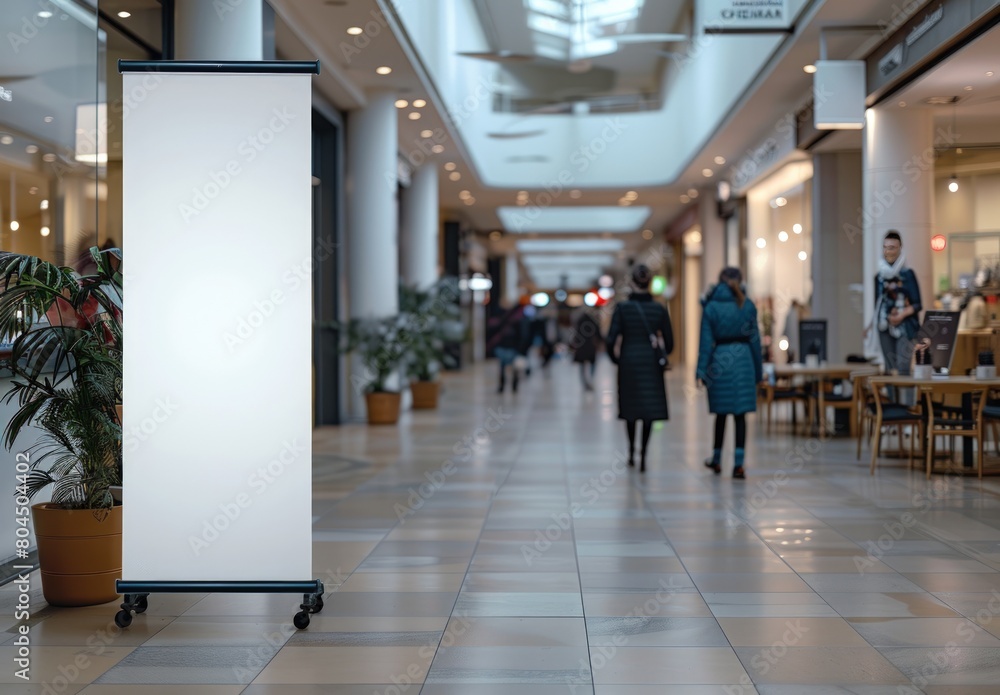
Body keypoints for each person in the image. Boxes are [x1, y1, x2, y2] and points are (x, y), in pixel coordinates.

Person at [605, 264, 674, 473]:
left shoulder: (622, 308)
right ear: (650, 283)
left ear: (632, 283)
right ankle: (644, 453)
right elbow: (670, 344)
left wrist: (616, 359)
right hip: (651, 365)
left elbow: (610, 339)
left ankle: (631, 451)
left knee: (630, 409)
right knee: (648, 410)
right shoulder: (659, 309)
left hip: (628, 363)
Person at [697, 267, 763, 480]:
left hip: (720, 360)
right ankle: (738, 464)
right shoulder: (748, 305)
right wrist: (758, 372)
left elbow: (706, 343)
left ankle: (716, 460)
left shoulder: (711, 307)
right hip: (743, 360)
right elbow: (755, 341)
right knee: (740, 415)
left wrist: (701, 370)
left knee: (721, 413)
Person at [865, 231, 922, 380]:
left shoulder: (908, 274)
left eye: (892, 247)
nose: (888, 251)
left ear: (900, 248)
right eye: (886, 247)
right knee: (890, 370)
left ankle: (907, 403)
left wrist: (901, 315)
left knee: (903, 369)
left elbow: (917, 304)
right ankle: (892, 403)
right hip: (885, 326)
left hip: (905, 327)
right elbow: (877, 304)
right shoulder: (879, 277)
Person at [488, 304, 528, 393]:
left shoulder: (515, 322)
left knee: (509, 368)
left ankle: (509, 385)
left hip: (511, 347)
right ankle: (507, 385)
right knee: (506, 368)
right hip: (507, 347)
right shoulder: (510, 321)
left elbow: (522, 336)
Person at [572, 308, 602, 391]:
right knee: (592, 364)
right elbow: (598, 334)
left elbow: (576, 333)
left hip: (582, 346)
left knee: (583, 366)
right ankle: (590, 380)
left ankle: (585, 382)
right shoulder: (593, 321)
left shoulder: (580, 320)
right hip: (591, 346)